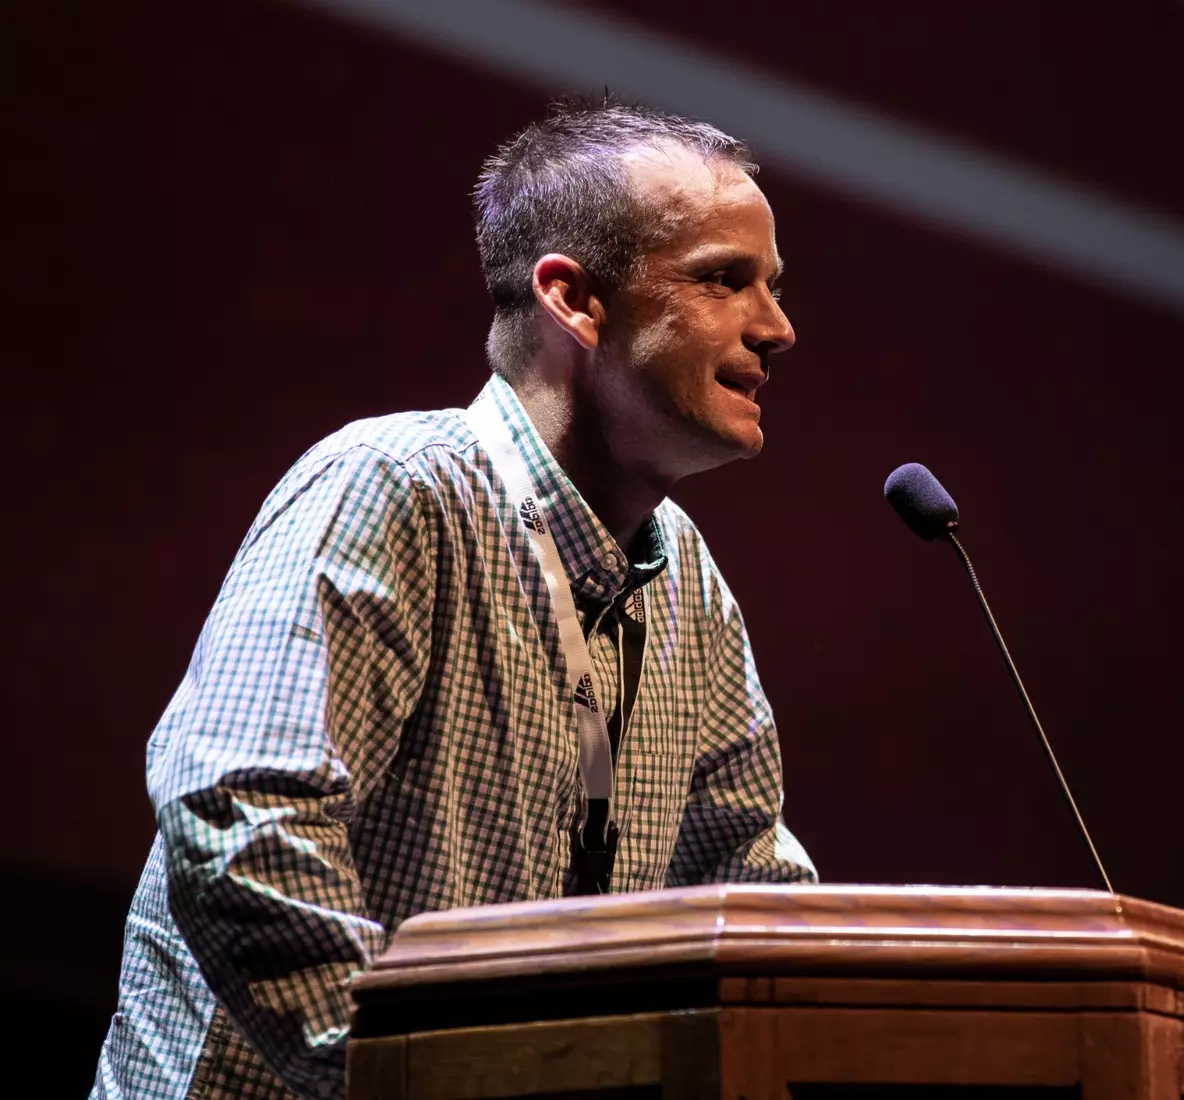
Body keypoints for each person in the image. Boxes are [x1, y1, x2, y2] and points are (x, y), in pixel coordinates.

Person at [91, 100, 816, 1100]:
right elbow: (244, 818)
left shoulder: (687, 580)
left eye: (770, 287)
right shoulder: (390, 487)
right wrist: (428, 1074)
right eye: (725, 278)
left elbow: (750, 891)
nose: (777, 328)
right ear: (575, 298)